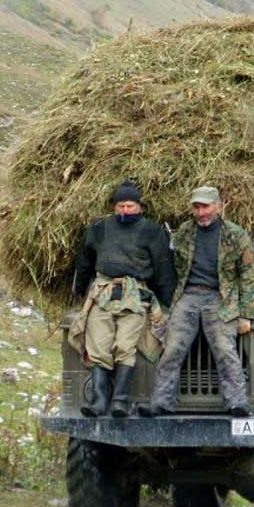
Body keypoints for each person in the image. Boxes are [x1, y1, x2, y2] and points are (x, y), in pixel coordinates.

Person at [139, 186, 254, 417]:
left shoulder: (235, 235)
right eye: (196, 207)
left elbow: (249, 274)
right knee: (172, 348)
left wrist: (246, 313)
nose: (201, 212)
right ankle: (161, 402)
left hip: (220, 297)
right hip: (189, 295)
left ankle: (237, 402)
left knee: (224, 348)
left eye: (205, 207)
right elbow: (175, 266)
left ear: (218, 206)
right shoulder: (185, 231)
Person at [69, 179, 175, 418]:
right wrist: (79, 289)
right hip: (103, 293)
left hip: (135, 296)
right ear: (114, 207)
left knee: (125, 346)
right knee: (98, 346)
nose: (125, 211)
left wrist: (165, 300)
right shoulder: (98, 228)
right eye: (121, 206)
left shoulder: (152, 231)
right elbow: (84, 261)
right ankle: (99, 401)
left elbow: (163, 268)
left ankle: (120, 401)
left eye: (130, 206)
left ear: (139, 207)